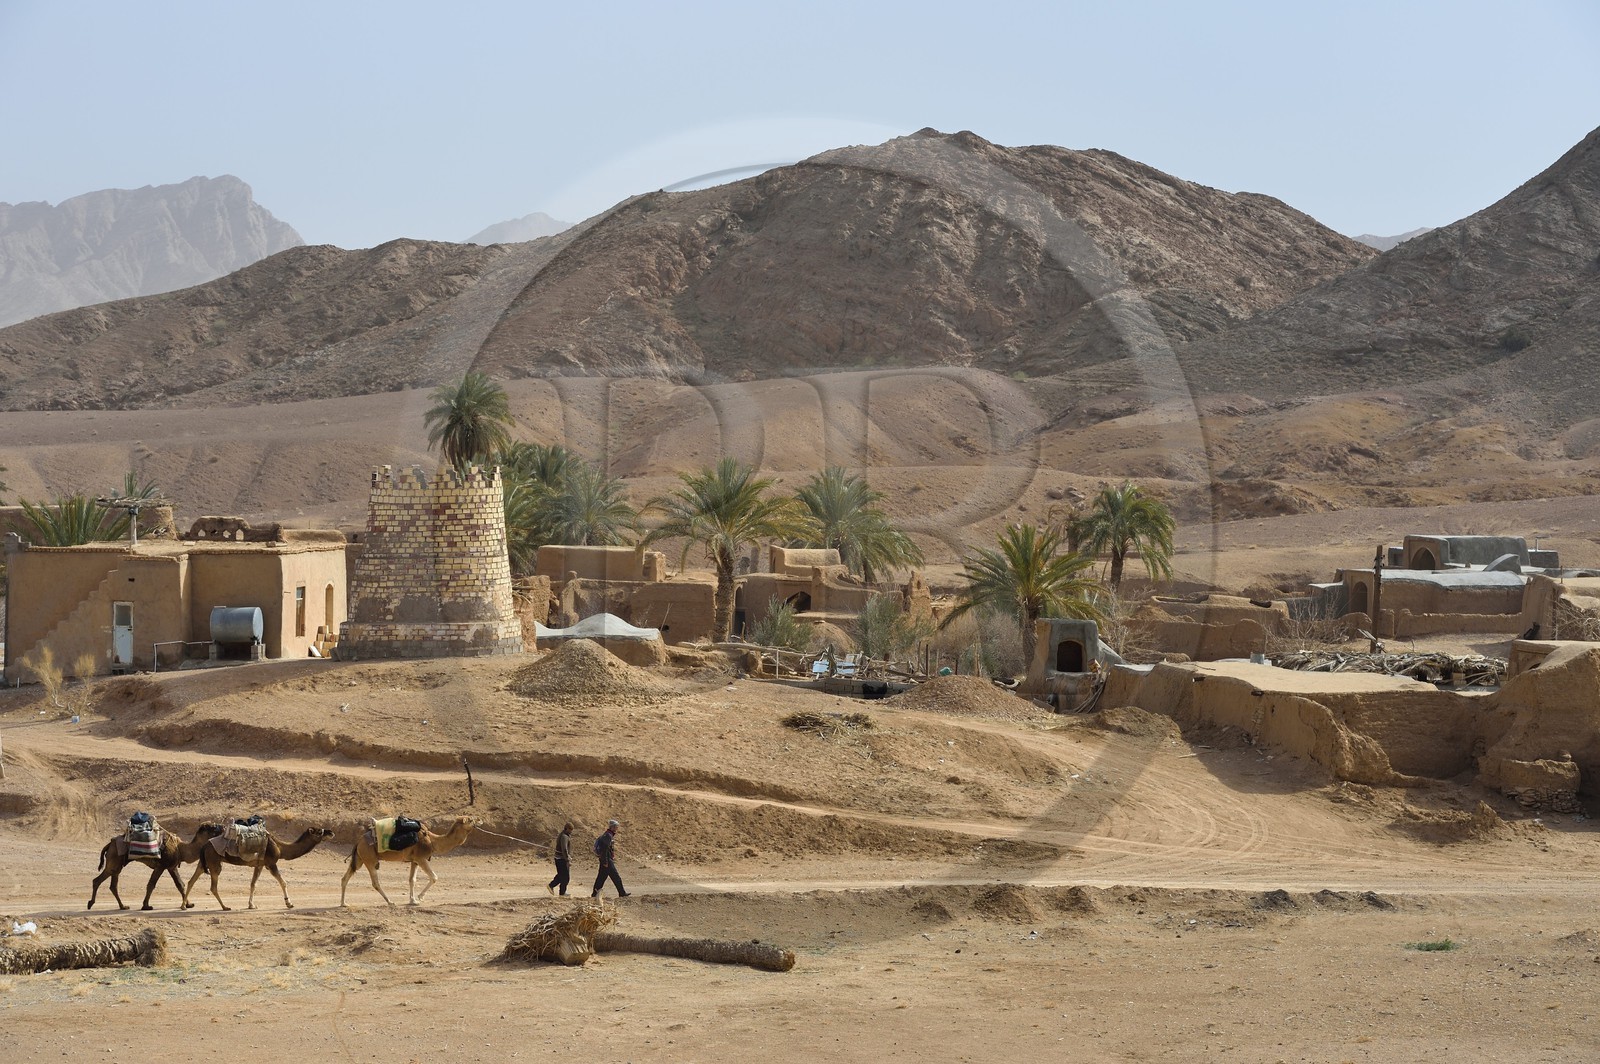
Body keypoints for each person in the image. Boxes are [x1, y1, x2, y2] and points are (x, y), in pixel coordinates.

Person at [590, 819, 630, 898]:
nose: (617, 829)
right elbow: (605, 849)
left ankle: (594, 894)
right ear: (612, 827)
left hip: (604, 859)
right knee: (616, 877)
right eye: (616, 827)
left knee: (601, 878)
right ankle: (622, 893)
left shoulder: (607, 834)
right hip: (607, 860)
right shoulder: (608, 835)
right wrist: (605, 861)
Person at [547, 822, 573, 896]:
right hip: (561, 859)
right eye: (570, 830)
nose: (571, 831)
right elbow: (564, 849)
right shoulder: (564, 836)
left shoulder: (563, 835)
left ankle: (552, 886)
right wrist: (567, 859)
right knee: (566, 877)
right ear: (567, 828)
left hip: (560, 858)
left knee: (561, 875)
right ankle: (561, 892)